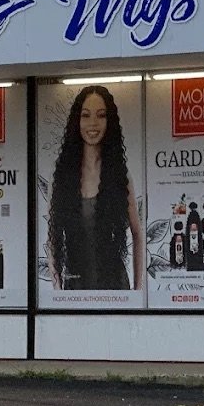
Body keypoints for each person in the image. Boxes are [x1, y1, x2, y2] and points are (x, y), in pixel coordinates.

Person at [46, 85, 145, 291]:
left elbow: (137, 233)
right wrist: (57, 289)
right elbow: (53, 238)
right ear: (77, 121)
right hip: (76, 288)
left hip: (115, 288)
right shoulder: (61, 178)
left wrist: (138, 291)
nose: (93, 123)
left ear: (110, 122)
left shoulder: (120, 176)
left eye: (101, 115)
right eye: (86, 115)